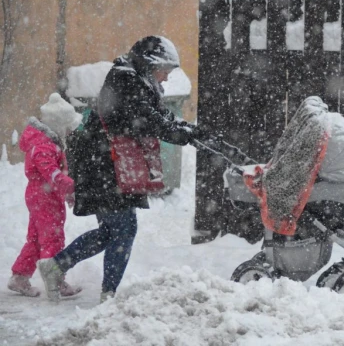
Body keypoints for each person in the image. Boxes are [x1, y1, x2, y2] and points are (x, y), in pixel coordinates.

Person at [37, 36, 208, 302]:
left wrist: (192, 131)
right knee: (124, 229)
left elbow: (161, 116)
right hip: (104, 166)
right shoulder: (127, 81)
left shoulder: (136, 79)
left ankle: (56, 266)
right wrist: (185, 135)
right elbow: (149, 121)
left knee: (111, 231)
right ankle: (107, 294)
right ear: (151, 64)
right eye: (165, 70)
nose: (165, 78)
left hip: (108, 165)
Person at [8, 93, 83, 298]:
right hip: (45, 196)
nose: (68, 131)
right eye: (67, 127)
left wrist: (64, 190)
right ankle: (55, 279)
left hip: (40, 195)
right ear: (58, 124)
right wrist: (71, 187)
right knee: (53, 237)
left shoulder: (46, 142)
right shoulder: (44, 145)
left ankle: (20, 277)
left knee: (36, 239)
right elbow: (51, 172)